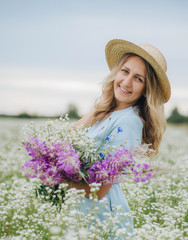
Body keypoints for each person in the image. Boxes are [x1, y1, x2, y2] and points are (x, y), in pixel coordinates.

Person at [67, 39, 171, 238]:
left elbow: (99, 190)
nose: (126, 82)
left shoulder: (130, 122)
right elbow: (66, 137)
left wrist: (57, 180)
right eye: (125, 71)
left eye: (138, 79)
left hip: (102, 217)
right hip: (82, 211)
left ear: (146, 90)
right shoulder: (106, 111)